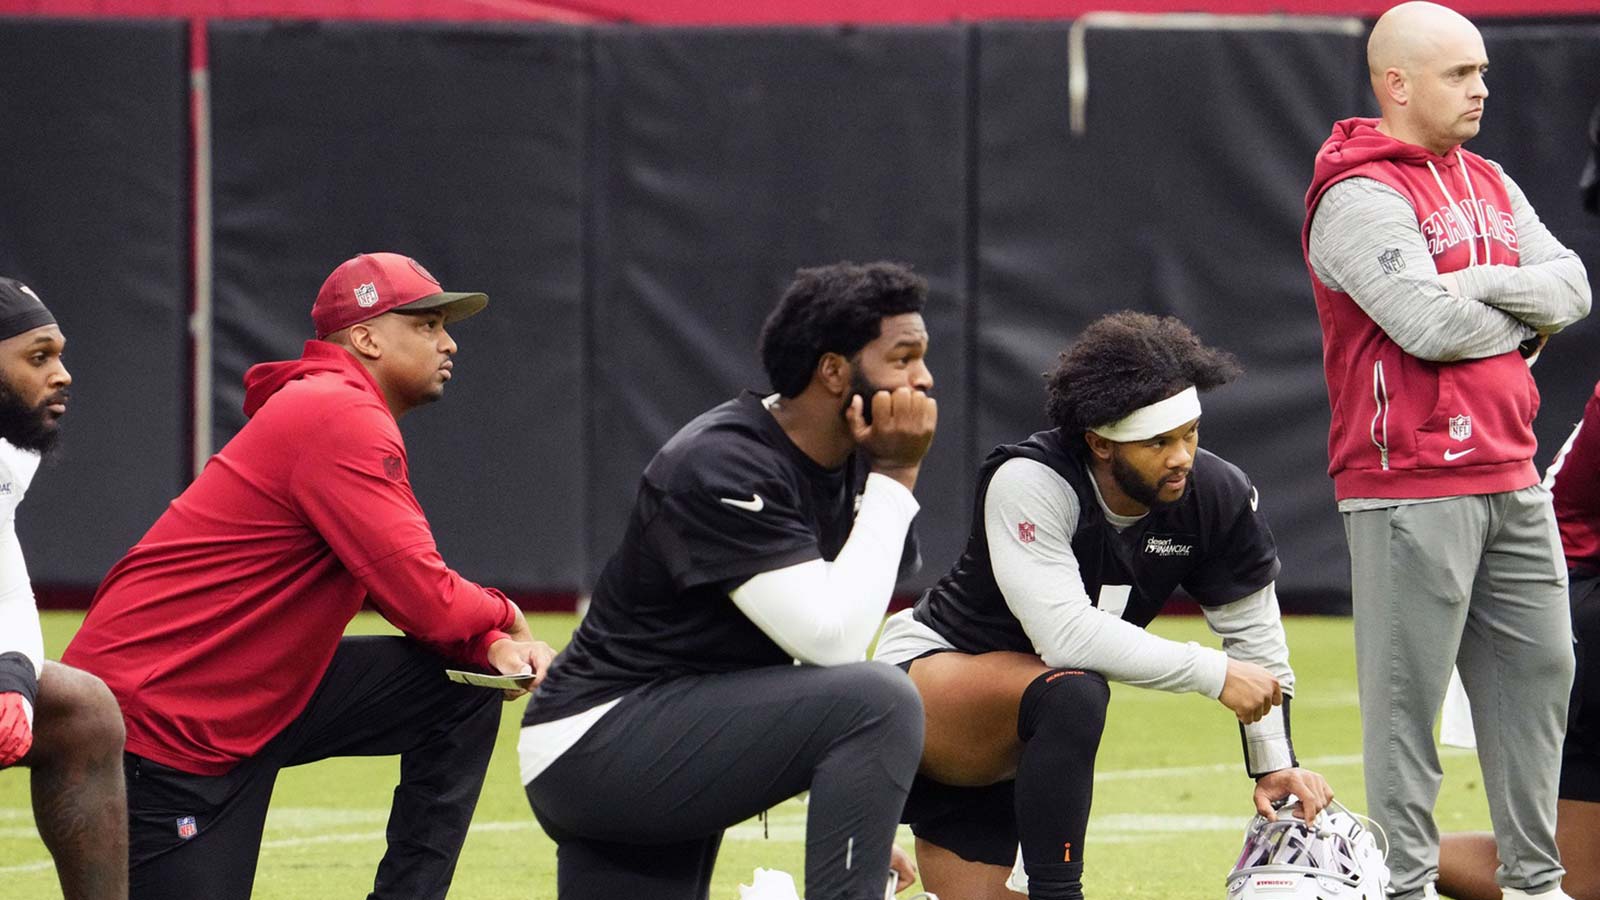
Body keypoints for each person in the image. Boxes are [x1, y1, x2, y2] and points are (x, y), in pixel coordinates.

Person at [62, 252, 556, 900]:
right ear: (368, 336)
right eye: (428, 324)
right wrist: (499, 619)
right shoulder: (337, 414)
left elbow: (408, 584)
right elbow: (420, 591)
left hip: (237, 691)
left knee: (458, 691)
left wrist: (485, 643)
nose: (449, 341)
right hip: (162, 720)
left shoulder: (334, 408)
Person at [872, 311, 1332, 900]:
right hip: (936, 693)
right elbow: (1066, 636)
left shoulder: (1216, 494)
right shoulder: (1030, 479)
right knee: (1073, 686)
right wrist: (1211, 673)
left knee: (1066, 692)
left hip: (1030, 738)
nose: (1182, 457)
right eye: (1158, 442)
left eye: (1190, 434)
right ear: (1100, 443)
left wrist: (1274, 764)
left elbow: (1257, 642)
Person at [520, 261, 936, 900]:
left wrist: (858, 815)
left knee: (870, 698)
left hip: (668, 727)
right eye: (904, 358)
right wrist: (897, 476)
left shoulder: (853, 460)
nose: (924, 380)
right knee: (881, 698)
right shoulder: (724, 463)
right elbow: (832, 644)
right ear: (832, 371)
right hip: (598, 741)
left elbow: (834, 645)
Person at [1303, 3, 1593, 899]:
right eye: (1460, 74)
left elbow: (1575, 284)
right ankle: (1406, 888)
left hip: (1512, 472)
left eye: (1483, 72)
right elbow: (1420, 321)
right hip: (1407, 481)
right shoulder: (1355, 192)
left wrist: (1476, 285)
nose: (1481, 89)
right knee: (1406, 713)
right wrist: (1518, 314)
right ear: (1396, 85)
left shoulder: (1491, 178)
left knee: (1543, 680)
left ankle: (1538, 887)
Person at [1437, 378, 1600, 900]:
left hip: (1562, 596)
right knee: (1577, 880)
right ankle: (1357, 854)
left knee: (1583, 880)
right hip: (1569, 604)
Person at [0, 276, 128, 900]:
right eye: (38, 356)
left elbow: (7, 588)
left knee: (82, 712)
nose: (64, 374)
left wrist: (15, 678)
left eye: (60, 354)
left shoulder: (8, 459)